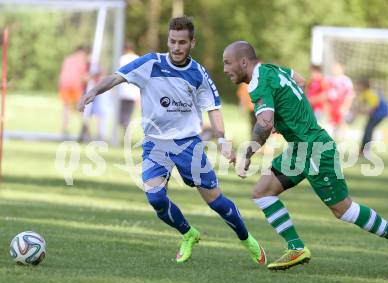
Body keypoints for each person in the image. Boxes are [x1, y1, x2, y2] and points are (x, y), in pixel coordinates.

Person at [78, 17, 266, 265]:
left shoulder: (197, 73)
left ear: (192, 43)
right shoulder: (151, 63)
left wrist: (222, 142)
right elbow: (116, 77)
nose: (176, 47)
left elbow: (214, 109)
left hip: (188, 144)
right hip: (155, 144)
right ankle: (188, 234)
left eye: (182, 43)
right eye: (172, 41)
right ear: (167, 40)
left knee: (216, 201)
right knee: (155, 198)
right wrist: (93, 91)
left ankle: (247, 239)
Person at [222, 41, 388, 271]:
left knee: (343, 209)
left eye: (227, 62)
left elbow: (263, 124)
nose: (225, 69)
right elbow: (300, 80)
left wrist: (247, 153)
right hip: (299, 148)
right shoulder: (272, 69)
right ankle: (296, 248)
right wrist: (289, 116)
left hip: (315, 148)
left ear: (243, 62)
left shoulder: (257, 83)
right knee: (262, 192)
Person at [58, 46, 90, 137]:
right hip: (75, 85)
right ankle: (86, 128)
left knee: (66, 107)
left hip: (64, 84)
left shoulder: (68, 59)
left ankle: (64, 128)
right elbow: (83, 77)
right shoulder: (81, 60)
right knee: (80, 107)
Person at [355, 78, 388, 156]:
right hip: (376, 114)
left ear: (364, 86)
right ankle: (363, 150)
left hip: (380, 113)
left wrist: (362, 111)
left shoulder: (369, 93)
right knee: (367, 129)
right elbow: (361, 105)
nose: (357, 87)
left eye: (358, 85)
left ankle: (365, 150)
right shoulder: (364, 93)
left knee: (368, 130)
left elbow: (374, 105)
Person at [326, 63, 355, 141]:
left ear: (342, 69)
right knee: (330, 124)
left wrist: (346, 106)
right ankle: (330, 143)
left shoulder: (346, 80)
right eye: (333, 68)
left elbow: (350, 94)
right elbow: (326, 94)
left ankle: (344, 142)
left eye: (336, 68)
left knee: (342, 123)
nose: (334, 70)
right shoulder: (329, 79)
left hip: (341, 105)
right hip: (332, 106)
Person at [117, 42, 140, 138]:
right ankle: (126, 133)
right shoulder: (138, 59)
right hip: (133, 92)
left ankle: (124, 133)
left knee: (121, 115)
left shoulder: (121, 59)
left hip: (122, 91)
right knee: (128, 115)